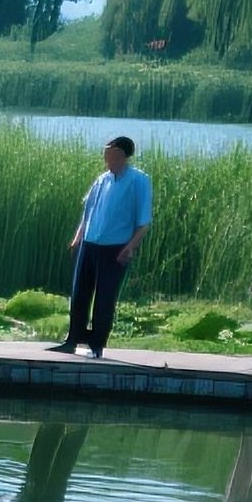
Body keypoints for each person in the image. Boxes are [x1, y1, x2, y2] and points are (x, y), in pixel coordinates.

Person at [57, 135, 152, 359]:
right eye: (106, 155)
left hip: (115, 248)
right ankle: (72, 339)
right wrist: (78, 238)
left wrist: (130, 247)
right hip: (89, 244)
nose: (108, 159)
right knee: (80, 293)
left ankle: (96, 344)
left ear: (123, 155)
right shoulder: (102, 180)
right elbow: (88, 212)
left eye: (112, 155)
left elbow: (144, 222)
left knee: (105, 297)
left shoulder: (139, 181)